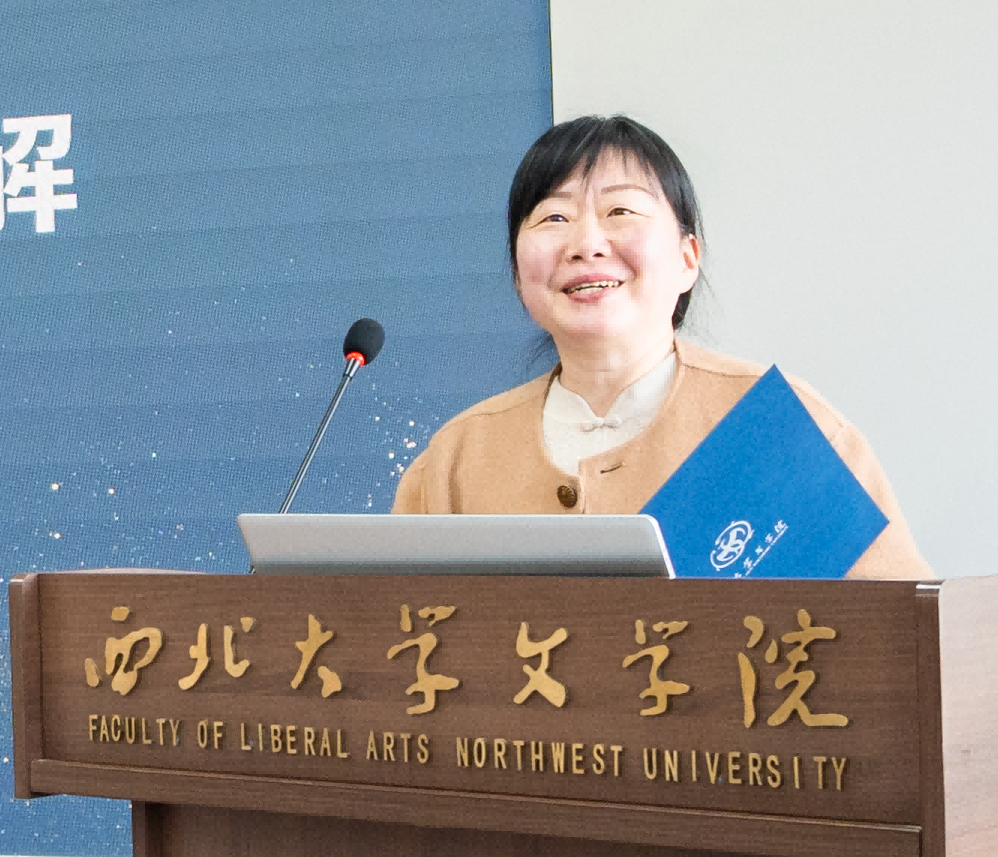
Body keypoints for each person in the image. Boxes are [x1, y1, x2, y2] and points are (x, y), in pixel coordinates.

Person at [391, 115, 932, 579]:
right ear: (517, 274)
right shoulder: (456, 459)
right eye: (554, 218)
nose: (586, 244)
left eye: (620, 212)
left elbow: (901, 635)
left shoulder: (778, 430)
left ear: (687, 259)